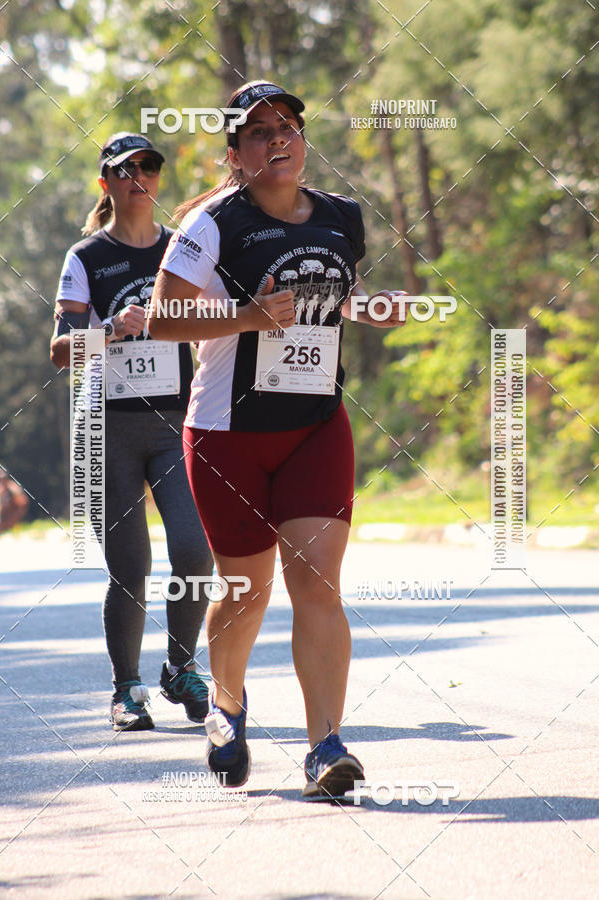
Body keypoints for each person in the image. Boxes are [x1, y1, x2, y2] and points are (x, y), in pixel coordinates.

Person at [148, 82, 405, 796]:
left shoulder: (341, 216)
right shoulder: (209, 224)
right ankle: (227, 705)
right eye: (258, 132)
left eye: (287, 126)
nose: (277, 139)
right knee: (244, 593)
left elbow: (338, 295)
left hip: (315, 425)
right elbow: (162, 319)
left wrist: (371, 308)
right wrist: (247, 317)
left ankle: (325, 746)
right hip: (228, 434)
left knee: (317, 582)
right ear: (236, 154)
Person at [50, 133, 213, 731]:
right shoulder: (86, 257)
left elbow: (219, 313)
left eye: (149, 166)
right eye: (126, 169)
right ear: (107, 183)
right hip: (107, 428)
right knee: (131, 566)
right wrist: (111, 330)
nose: (139, 176)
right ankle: (126, 690)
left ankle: (180, 667)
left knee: (194, 551)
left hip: (175, 424)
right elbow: (60, 351)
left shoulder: (181, 249)